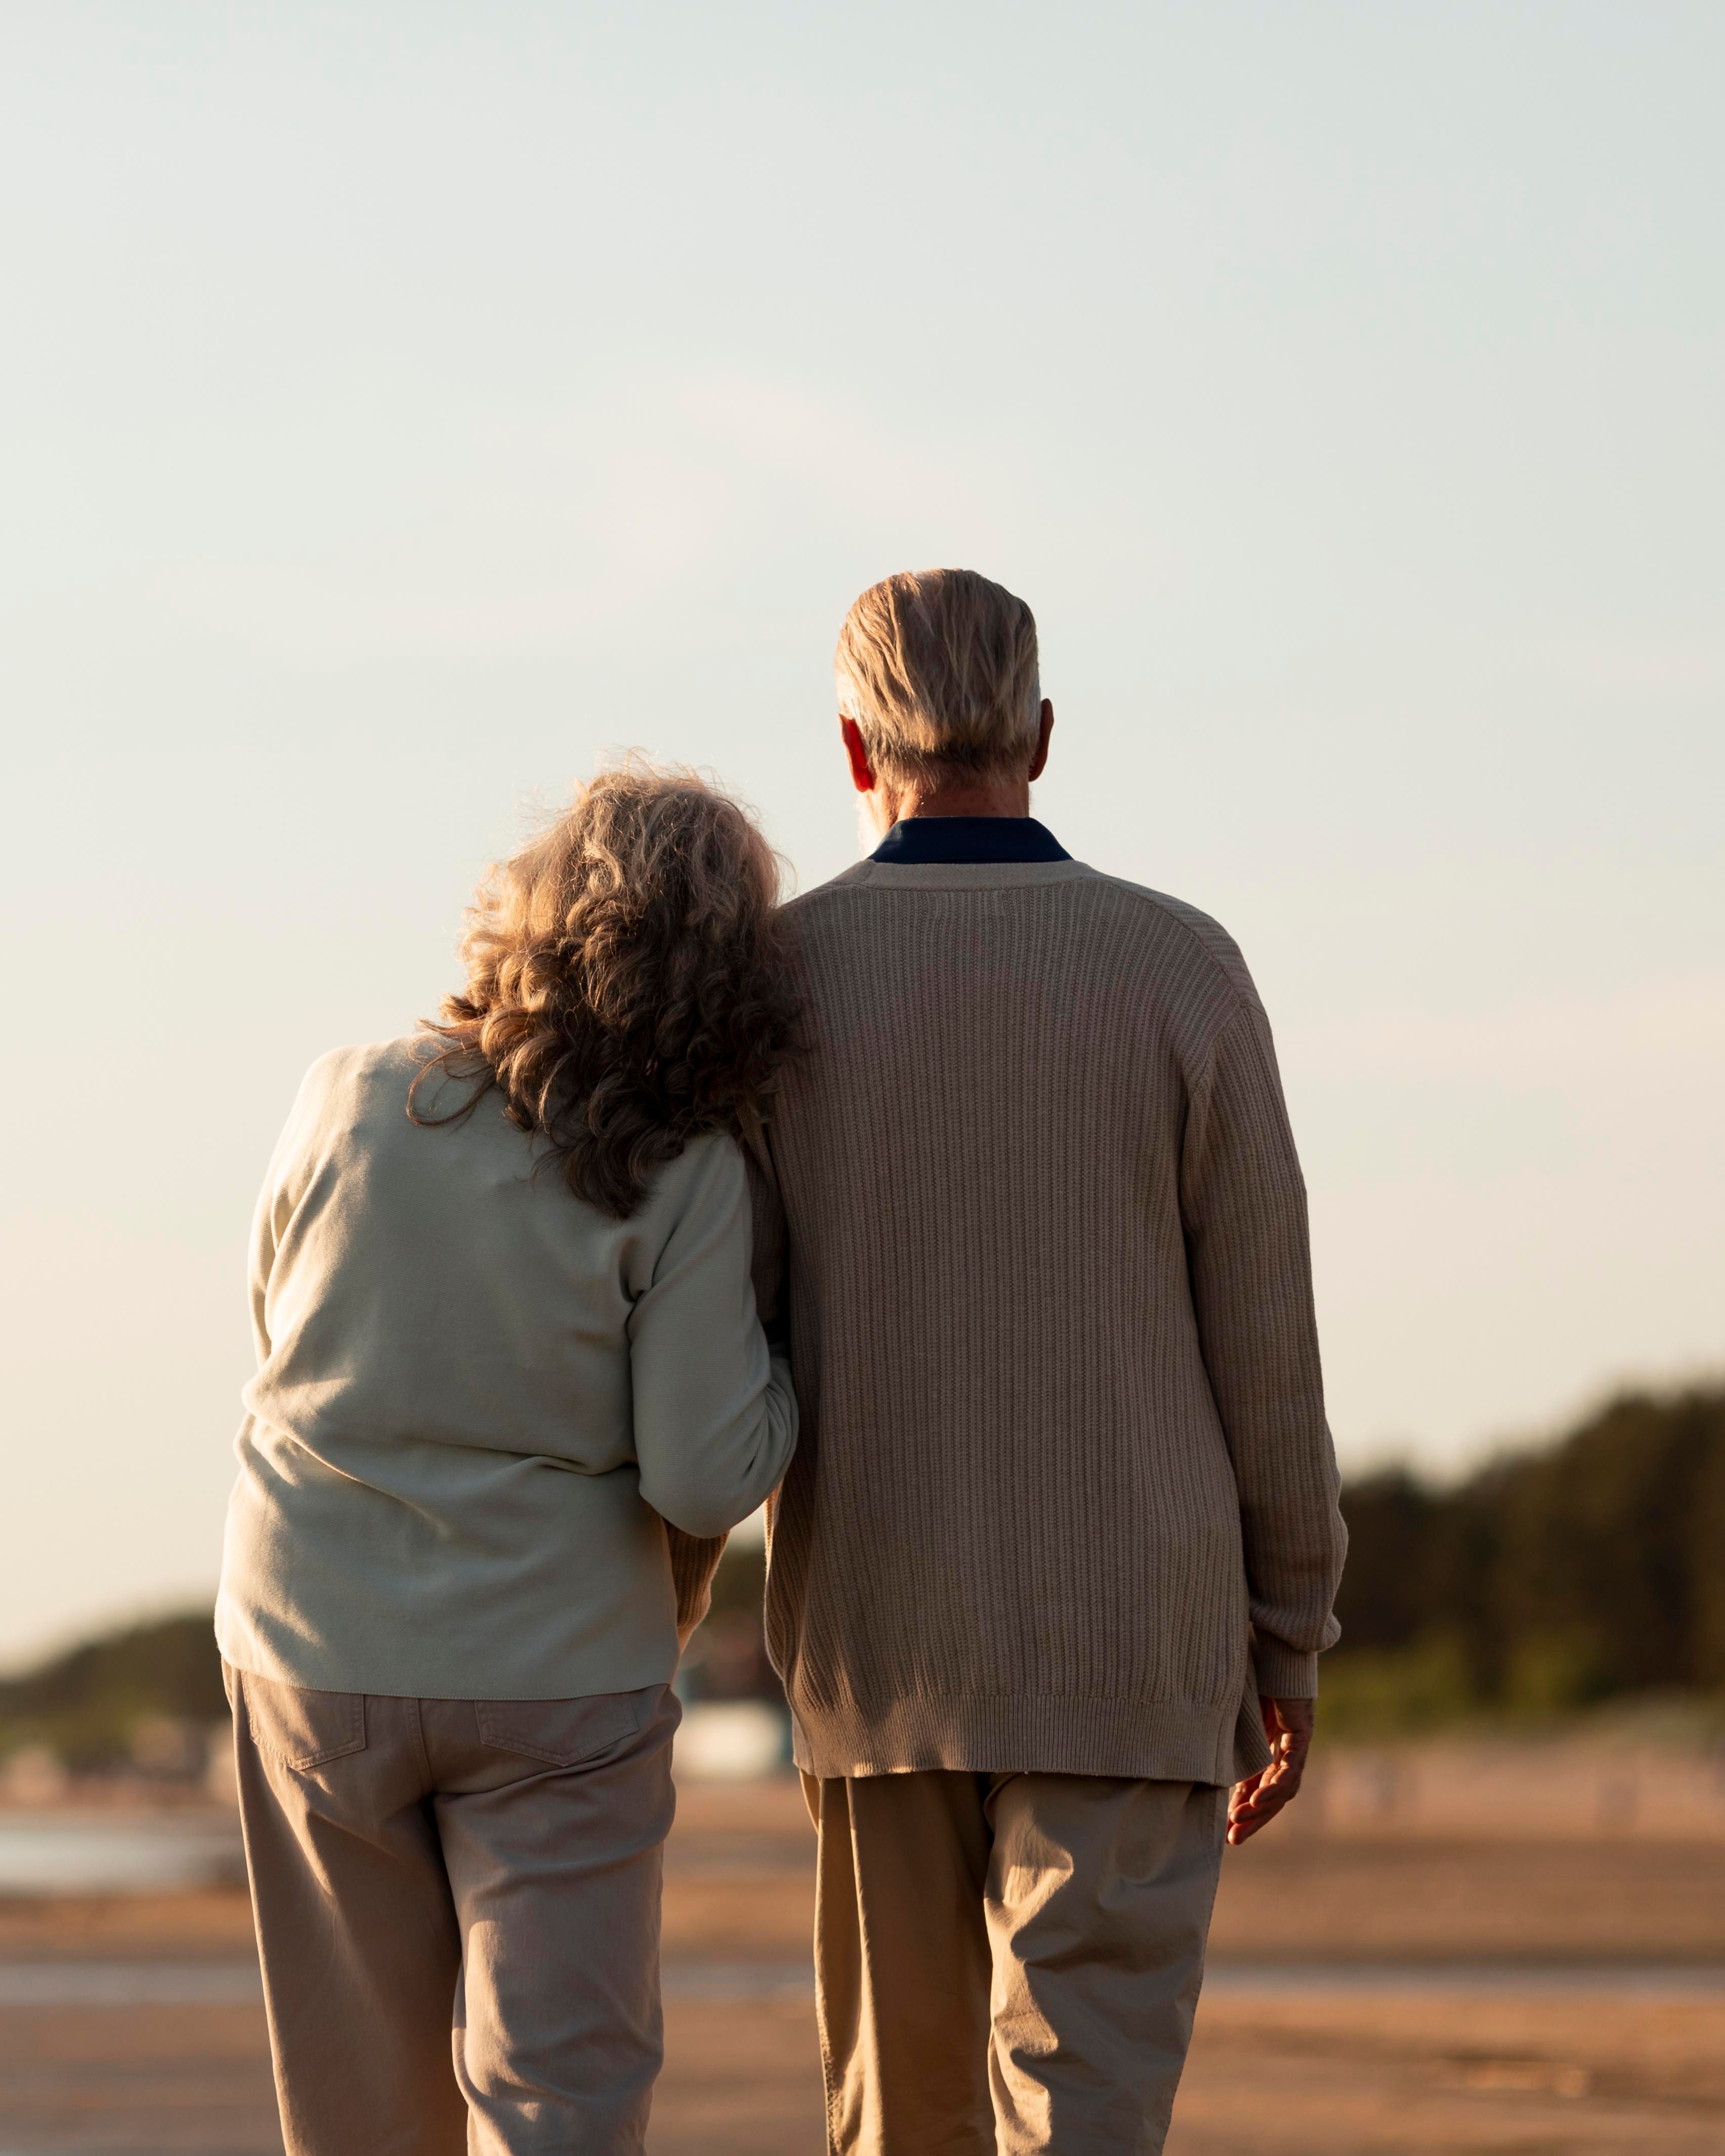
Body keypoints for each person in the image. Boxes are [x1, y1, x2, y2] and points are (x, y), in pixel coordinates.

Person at [760, 569, 1348, 2153]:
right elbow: (1267, 1344)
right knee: (1087, 2124)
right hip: (1133, 1639)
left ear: (850, 746)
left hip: (880, 1647)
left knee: (905, 2127)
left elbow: (721, 1341)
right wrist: (1288, 1630)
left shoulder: (776, 985)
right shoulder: (1182, 968)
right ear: (1041, 731)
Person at [214, 763, 805, 2156]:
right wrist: (792, 1378)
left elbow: (275, 1319)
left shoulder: (346, 1096)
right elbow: (704, 1475)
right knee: (561, 2101)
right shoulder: (689, 1168)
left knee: (359, 2111)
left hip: (315, 1642)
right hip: (559, 1671)